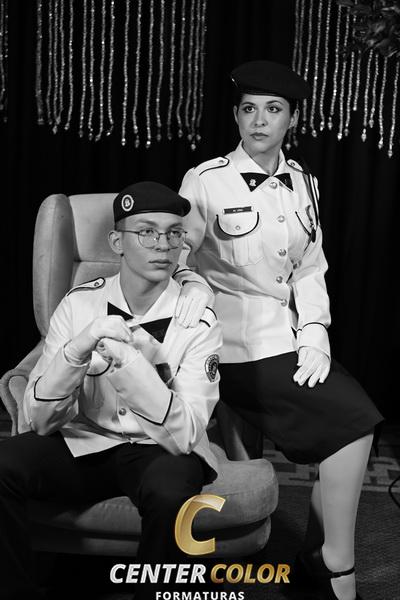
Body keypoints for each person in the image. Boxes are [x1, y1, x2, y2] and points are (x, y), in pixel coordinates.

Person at [179, 60, 383, 600]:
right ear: (236, 117)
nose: (259, 120)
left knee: (355, 424)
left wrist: (315, 329)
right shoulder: (205, 179)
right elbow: (178, 260)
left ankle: (320, 555)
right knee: (355, 421)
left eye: (273, 110)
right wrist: (193, 304)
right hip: (231, 344)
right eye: (249, 109)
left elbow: (311, 267)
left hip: (288, 337)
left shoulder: (304, 182)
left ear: (291, 119)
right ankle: (334, 565)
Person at [0, 181, 222, 600]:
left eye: (174, 233)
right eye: (147, 232)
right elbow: (39, 420)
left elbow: (187, 433)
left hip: (160, 448)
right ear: (117, 242)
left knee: (171, 495)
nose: (163, 245)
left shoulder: (199, 319)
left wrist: (131, 364)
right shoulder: (78, 304)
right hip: (88, 439)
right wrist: (75, 352)